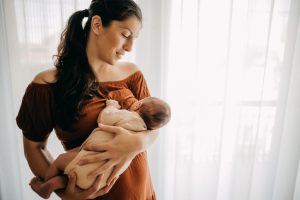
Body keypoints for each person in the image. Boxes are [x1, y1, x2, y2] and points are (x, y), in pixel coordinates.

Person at [16, 0, 163, 199]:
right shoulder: (47, 85)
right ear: (97, 24)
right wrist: (65, 192)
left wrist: (136, 142)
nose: (129, 47)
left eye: (134, 39)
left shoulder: (132, 74)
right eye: (125, 35)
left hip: (143, 194)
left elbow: (154, 127)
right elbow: (34, 147)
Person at [29, 97, 171, 199]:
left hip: (90, 163)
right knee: (73, 176)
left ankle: (45, 184)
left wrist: (111, 106)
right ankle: (55, 183)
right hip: (104, 178)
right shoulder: (145, 130)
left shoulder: (129, 116)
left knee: (61, 160)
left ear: (138, 105)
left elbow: (104, 118)